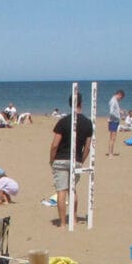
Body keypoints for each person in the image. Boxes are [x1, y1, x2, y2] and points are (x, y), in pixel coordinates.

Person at [49, 92, 93, 227]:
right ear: (81, 103)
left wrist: (51, 160)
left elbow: (55, 144)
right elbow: (88, 146)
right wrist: (81, 160)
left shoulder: (63, 122)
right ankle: (73, 219)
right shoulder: (87, 122)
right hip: (76, 160)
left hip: (61, 159)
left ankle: (63, 223)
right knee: (72, 190)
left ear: (69, 104)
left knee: (61, 191)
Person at [106, 89, 125, 156]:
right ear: (119, 95)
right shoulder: (113, 101)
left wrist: (120, 111)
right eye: (121, 98)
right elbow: (111, 112)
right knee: (112, 138)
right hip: (113, 121)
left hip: (114, 121)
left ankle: (111, 152)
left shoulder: (115, 101)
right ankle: (110, 153)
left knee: (113, 138)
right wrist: (118, 117)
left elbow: (116, 109)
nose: (121, 99)